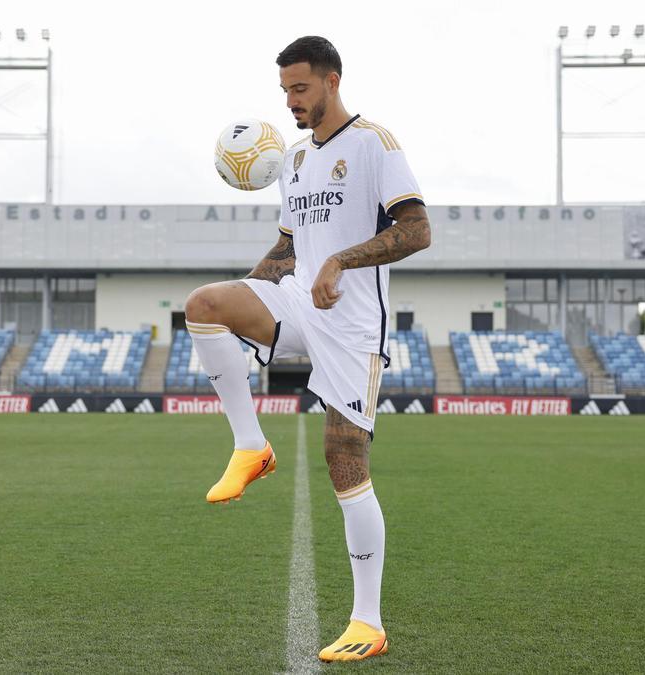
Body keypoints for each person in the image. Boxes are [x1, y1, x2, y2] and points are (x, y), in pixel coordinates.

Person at [184, 36, 429, 662]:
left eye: (301, 88)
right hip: (299, 301)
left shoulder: (374, 143)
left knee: (343, 458)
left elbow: (417, 230)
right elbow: (290, 250)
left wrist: (342, 262)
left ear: (332, 82)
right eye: (285, 90)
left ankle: (367, 622)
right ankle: (250, 447)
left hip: (352, 326)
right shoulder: (292, 160)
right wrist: (248, 292)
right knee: (205, 305)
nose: (291, 101)